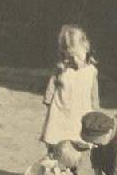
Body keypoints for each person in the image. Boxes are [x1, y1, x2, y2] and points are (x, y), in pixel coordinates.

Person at [40, 25, 99, 154]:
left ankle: (73, 168)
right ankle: (53, 165)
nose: (74, 60)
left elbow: (94, 93)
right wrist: (48, 101)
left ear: (85, 48)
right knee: (55, 139)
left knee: (78, 143)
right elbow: (52, 84)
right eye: (70, 57)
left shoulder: (91, 71)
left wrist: (95, 109)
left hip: (81, 112)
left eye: (77, 55)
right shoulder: (61, 68)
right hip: (60, 110)